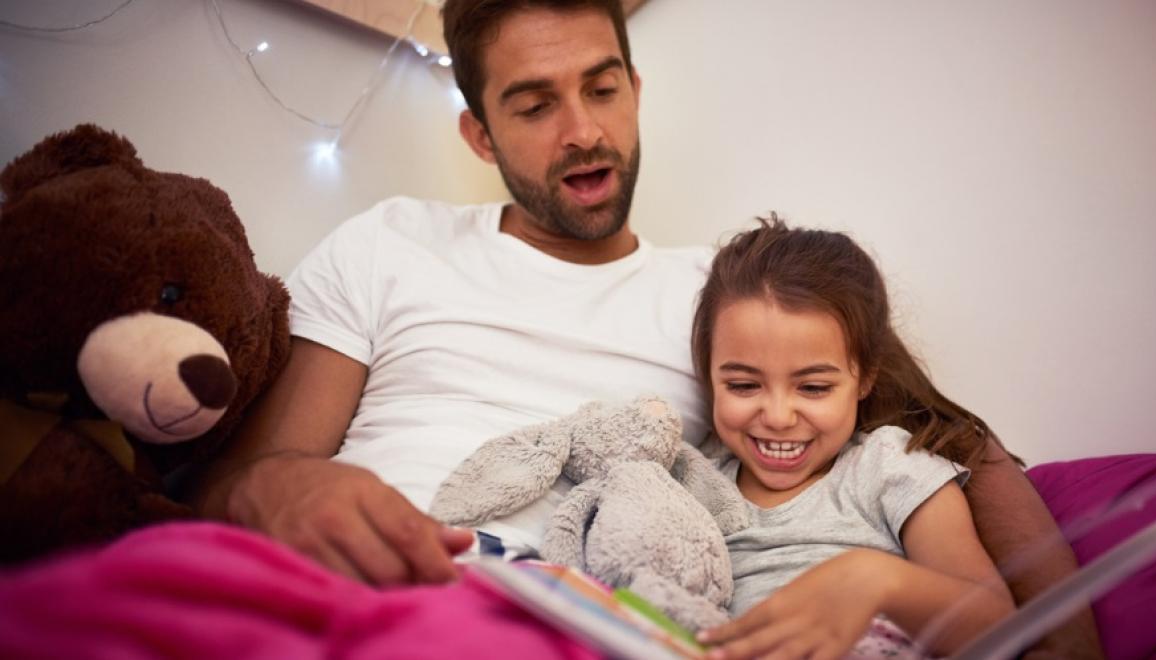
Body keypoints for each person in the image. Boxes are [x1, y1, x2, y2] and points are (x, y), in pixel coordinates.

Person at [191, 1, 1100, 656]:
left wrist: (1066, 637)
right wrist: (278, 490)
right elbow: (248, 479)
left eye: (602, 87)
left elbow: (958, 443)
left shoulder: (729, 300)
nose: (584, 131)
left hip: (571, 619)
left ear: (636, 87)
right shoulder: (390, 242)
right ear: (479, 134)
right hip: (342, 590)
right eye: (536, 104)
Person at [690, 217, 1018, 658]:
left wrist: (877, 580)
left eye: (814, 388)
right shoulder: (694, 484)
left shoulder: (890, 468)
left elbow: (997, 625)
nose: (779, 417)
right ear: (709, 377)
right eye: (744, 386)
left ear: (864, 379)